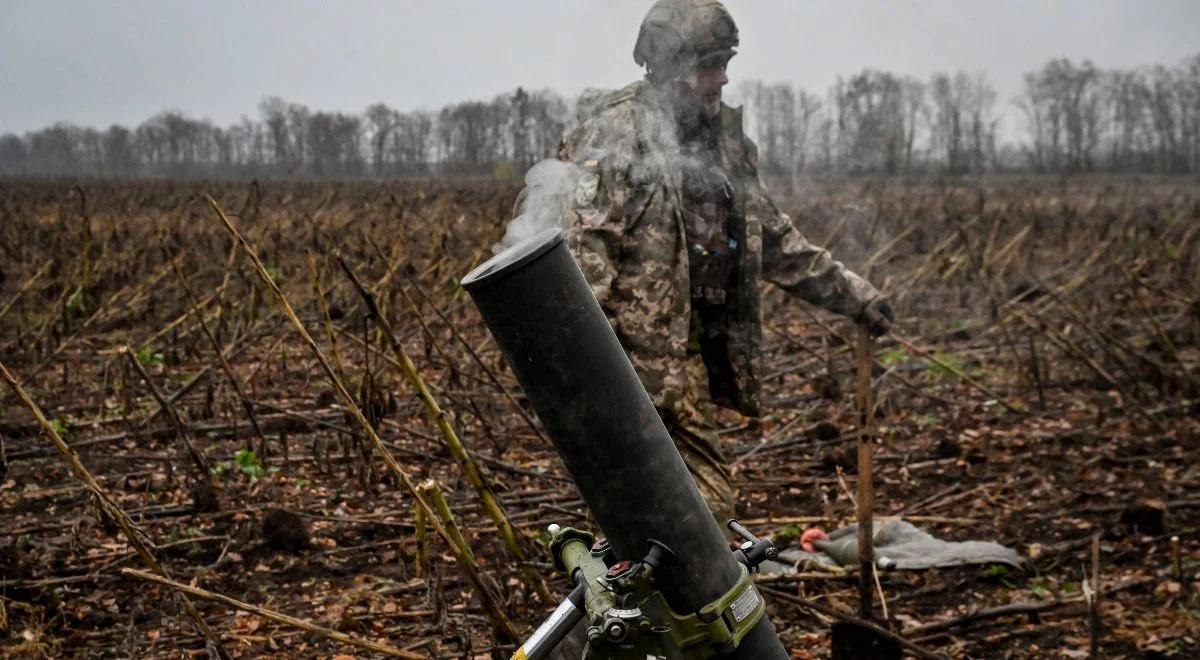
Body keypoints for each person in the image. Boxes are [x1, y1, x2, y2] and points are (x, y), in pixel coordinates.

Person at [556, 0, 893, 526]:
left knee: (689, 515)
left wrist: (855, 297)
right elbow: (582, 256)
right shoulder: (618, 134)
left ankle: (652, 599)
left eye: (725, 63)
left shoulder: (726, 146)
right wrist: (589, 378)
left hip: (684, 364)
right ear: (668, 68)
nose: (722, 79)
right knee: (686, 517)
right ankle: (644, 600)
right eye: (709, 66)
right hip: (628, 368)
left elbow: (774, 238)